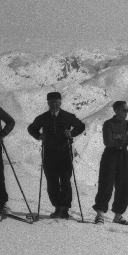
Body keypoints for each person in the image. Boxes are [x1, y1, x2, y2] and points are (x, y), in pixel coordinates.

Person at [27, 91, 86, 219]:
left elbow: (81, 126)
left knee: (65, 180)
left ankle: (64, 209)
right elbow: (31, 128)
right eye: (51, 102)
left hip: (65, 152)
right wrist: (38, 136)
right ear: (48, 103)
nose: (54, 104)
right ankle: (57, 207)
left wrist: (71, 133)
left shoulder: (68, 116)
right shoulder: (43, 117)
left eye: (56, 102)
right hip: (49, 152)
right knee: (52, 181)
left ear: (60, 102)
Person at [92, 101, 128, 225]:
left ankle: (118, 215)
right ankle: (100, 213)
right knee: (106, 183)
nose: (127, 112)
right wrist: (125, 138)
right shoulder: (109, 123)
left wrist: (119, 137)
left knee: (123, 185)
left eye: (127, 110)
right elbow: (108, 142)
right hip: (110, 154)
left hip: (123, 154)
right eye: (125, 110)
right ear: (117, 111)